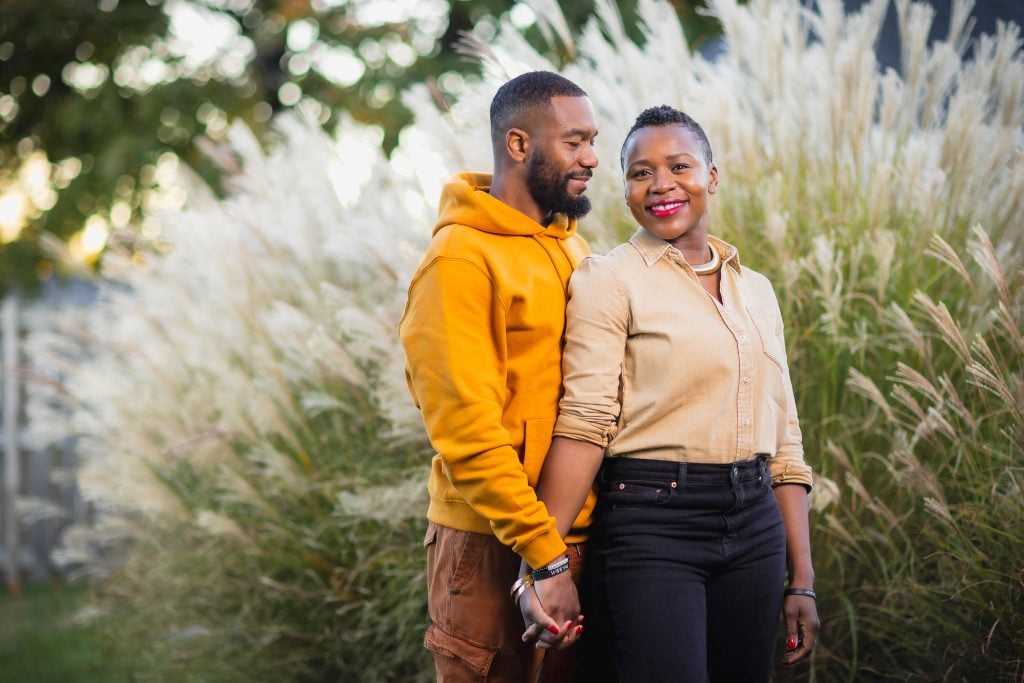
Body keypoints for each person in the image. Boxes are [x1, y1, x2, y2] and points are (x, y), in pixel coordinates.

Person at [517, 105, 820, 682]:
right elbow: (585, 422)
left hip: (756, 526)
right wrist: (543, 564)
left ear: (711, 175)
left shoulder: (755, 289)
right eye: (639, 172)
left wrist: (801, 578)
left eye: (679, 166)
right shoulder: (610, 278)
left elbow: (785, 443)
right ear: (624, 187)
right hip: (653, 527)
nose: (660, 186)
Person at [399, 71, 599, 681]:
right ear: (518, 145)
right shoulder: (460, 261)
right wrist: (545, 558)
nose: (591, 158)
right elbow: (467, 435)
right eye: (573, 141)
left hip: (579, 535)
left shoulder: (574, 249)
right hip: (491, 543)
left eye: (593, 140)